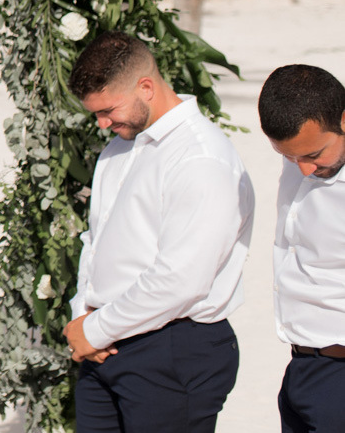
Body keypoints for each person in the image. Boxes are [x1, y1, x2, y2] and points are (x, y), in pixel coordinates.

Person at [64, 31, 253, 433]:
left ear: (146, 87)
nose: (102, 123)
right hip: (106, 345)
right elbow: (95, 241)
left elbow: (180, 280)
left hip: (172, 349)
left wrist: (96, 329)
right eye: (94, 113)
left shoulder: (201, 158)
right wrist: (83, 311)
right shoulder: (118, 148)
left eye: (108, 110)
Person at [256, 64, 345, 432]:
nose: (304, 169)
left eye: (314, 154)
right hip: (302, 368)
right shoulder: (303, 155)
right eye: (291, 157)